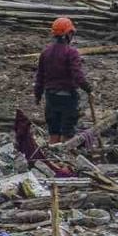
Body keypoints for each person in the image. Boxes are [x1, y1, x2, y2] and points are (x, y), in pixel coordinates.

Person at [34, 17, 92, 145]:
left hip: (51, 97)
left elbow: (40, 77)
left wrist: (38, 95)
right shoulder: (71, 53)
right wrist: (87, 87)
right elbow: (77, 75)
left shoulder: (46, 52)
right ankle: (65, 157)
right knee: (67, 131)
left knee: (53, 131)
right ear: (68, 34)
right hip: (68, 98)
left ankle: (52, 158)